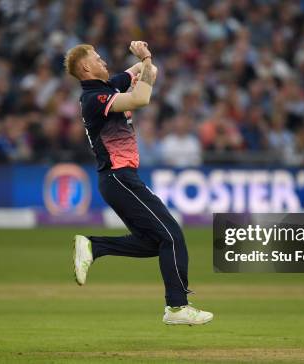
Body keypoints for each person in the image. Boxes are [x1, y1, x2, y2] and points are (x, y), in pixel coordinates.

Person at [64, 41, 213, 325]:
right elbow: (140, 99)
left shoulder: (106, 87)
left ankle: (95, 247)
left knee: (155, 242)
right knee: (172, 236)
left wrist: (145, 61)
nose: (103, 60)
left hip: (121, 178)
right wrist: (145, 58)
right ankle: (177, 307)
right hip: (118, 177)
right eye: (97, 58)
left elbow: (144, 72)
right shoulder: (93, 98)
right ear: (85, 67)